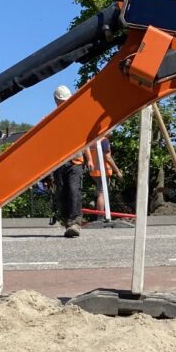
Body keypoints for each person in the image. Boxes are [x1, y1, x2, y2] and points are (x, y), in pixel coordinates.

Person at [49, 84, 86, 237]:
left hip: (75, 161)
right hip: (59, 162)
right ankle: (67, 223)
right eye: (62, 101)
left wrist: (89, 159)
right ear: (56, 101)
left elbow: (85, 139)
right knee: (62, 192)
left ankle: (75, 223)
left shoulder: (76, 117)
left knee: (73, 190)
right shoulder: (52, 119)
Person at [85, 134, 123, 214]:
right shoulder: (104, 141)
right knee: (102, 194)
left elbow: (86, 150)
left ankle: (93, 200)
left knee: (99, 191)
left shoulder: (92, 141)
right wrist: (117, 171)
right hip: (103, 172)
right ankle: (100, 216)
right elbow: (108, 157)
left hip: (94, 171)